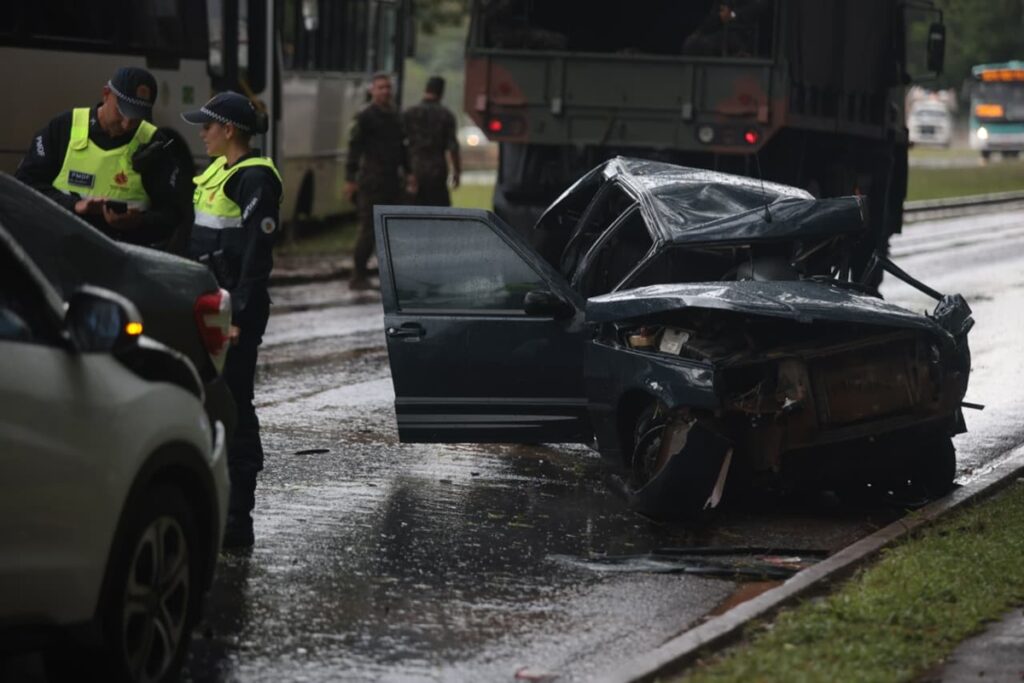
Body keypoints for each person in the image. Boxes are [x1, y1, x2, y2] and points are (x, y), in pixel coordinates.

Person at [182, 92, 282, 548]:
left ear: (229, 130)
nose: (201, 132)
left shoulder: (256, 177)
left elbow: (256, 259)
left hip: (233, 313)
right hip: (209, 304)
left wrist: (236, 317)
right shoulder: (217, 171)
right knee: (208, 403)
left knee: (236, 407)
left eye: (208, 125)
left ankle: (237, 522)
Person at [14, 66, 188, 248]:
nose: (127, 124)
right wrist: (74, 206)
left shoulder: (154, 143)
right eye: (122, 111)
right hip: (59, 250)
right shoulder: (63, 128)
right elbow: (25, 186)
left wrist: (138, 223)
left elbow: (173, 214)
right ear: (106, 94)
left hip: (122, 256)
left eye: (136, 117)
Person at [344, 73, 416, 290]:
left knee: (392, 228)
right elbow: (354, 147)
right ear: (372, 90)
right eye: (381, 87)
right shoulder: (365, 115)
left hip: (392, 179)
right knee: (368, 228)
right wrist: (350, 178)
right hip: (371, 179)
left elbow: (403, 147)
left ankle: (389, 274)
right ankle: (358, 274)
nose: (385, 91)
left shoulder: (396, 115)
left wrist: (410, 172)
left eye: (388, 87)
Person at [402, 76, 462, 207]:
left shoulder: (410, 113)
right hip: (437, 170)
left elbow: (400, 143)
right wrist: (456, 172)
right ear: (441, 92)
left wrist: (405, 170)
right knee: (438, 210)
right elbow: (453, 147)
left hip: (414, 166)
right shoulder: (446, 115)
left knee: (413, 209)